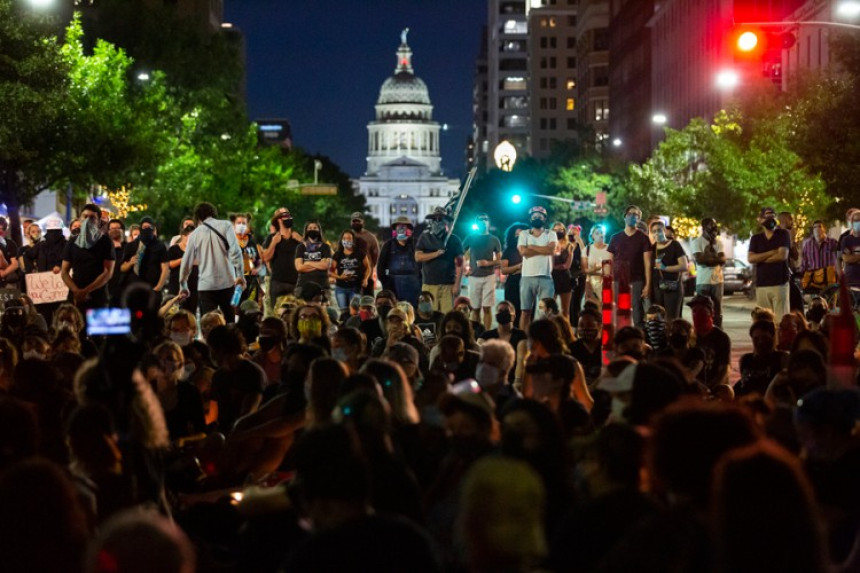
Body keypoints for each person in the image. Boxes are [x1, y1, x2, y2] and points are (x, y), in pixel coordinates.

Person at [179, 202, 244, 322]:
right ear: (213, 213)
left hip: (206, 286)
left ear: (198, 218)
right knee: (229, 322)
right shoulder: (226, 225)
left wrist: (183, 284)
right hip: (227, 283)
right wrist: (240, 276)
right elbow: (236, 251)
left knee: (209, 325)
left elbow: (186, 263)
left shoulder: (195, 234)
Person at [60, 204, 116, 311]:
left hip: (98, 298)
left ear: (99, 221)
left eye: (92, 217)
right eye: (85, 216)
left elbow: (108, 272)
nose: (87, 220)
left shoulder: (106, 242)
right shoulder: (72, 241)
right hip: (76, 298)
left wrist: (86, 291)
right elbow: (64, 271)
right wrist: (76, 291)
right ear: (80, 219)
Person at [607, 205, 652, 328]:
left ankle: (638, 343)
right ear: (625, 217)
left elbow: (647, 263)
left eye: (637, 215)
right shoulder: (615, 238)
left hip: (637, 281)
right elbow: (609, 262)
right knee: (620, 314)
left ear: (639, 219)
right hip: (618, 281)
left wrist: (647, 285)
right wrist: (608, 283)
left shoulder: (644, 238)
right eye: (631, 214)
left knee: (637, 315)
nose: (633, 217)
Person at [415, 206, 464, 314]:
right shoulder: (424, 237)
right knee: (429, 315)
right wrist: (436, 254)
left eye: (441, 218)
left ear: (446, 221)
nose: (438, 221)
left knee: (448, 316)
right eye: (435, 218)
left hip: (448, 286)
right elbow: (418, 257)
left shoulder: (454, 239)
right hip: (429, 286)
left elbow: (460, 264)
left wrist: (457, 284)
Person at [748, 207, 791, 319]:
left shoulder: (783, 234)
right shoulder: (756, 238)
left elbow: (782, 255)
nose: (770, 219)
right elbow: (751, 258)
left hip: (780, 284)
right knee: (764, 321)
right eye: (767, 216)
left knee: (781, 321)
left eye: (772, 216)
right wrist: (771, 252)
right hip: (762, 285)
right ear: (760, 220)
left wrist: (760, 258)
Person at [518, 205, 556, 331]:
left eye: (540, 216)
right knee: (525, 311)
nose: (537, 218)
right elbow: (523, 252)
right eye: (534, 216)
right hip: (527, 277)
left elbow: (550, 250)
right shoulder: (524, 234)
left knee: (546, 312)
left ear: (544, 219)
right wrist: (542, 249)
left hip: (545, 277)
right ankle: (523, 338)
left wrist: (531, 247)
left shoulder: (551, 234)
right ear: (530, 219)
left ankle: (543, 336)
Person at [463, 213, 502, 331]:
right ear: (477, 223)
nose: (483, 222)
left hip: (489, 276)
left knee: (487, 308)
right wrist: (466, 268)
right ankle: (475, 333)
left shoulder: (494, 239)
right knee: (475, 308)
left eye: (485, 219)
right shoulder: (470, 238)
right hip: (474, 277)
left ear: (489, 223)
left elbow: (500, 260)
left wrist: (487, 263)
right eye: (480, 220)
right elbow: (460, 254)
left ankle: (486, 334)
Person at [261, 207, 303, 311]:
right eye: (285, 215)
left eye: (289, 215)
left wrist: (302, 240)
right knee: (277, 314)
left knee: (295, 315)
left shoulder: (297, 237)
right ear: (279, 220)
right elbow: (266, 257)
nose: (289, 217)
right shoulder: (271, 238)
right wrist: (274, 243)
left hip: (296, 283)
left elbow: (312, 254)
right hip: (277, 283)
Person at [736, 320, 789, 397]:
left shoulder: (782, 358)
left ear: (772, 337)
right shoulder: (745, 359)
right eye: (756, 339)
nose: (761, 342)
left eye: (764, 338)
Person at [688, 294, 731, 388]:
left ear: (711, 313)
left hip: (714, 385)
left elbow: (724, 369)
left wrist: (711, 387)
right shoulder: (689, 337)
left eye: (702, 311)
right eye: (694, 311)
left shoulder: (721, 337)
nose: (697, 315)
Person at [377, 215, 421, 307]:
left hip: (414, 288)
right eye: (399, 228)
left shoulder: (416, 244)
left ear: (410, 230)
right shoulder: (388, 246)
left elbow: (423, 265)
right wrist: (387, 286)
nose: (402, 230)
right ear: (395, 230)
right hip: (393, 286)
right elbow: (381, 269)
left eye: (405, 228)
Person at [691, 217, 726, 327]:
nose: (714, 227)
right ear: (704, 227)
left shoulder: (719, 243)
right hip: (703, 281)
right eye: (712, 225)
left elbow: (723, 260)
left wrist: (711, 260)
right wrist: (715, 259)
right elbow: (700, 260)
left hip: (717, 281)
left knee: (717, 310)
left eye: (715, 224)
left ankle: (718, 332)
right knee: (702, 309)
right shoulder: (697, 242)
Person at [650, 219, 688, 320]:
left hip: (673, 287)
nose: (656, 233)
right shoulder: (652, 248)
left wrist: (665, 268)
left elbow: (684, 266)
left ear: (664, 231)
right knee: (659, 320)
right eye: (653, 231)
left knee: (672, 319)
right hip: (657, 289)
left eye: (659, 230)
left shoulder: (674, 245)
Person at [123, 216, 169, 294]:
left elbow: (165, 267)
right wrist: (130, 263)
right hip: (134, 287)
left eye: (149, 227)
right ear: (140, 228)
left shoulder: (160, 246)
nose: (147, 229)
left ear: (154, 229)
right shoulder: (131, 246)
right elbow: (122, 268)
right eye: (144, 227)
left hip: (152, 288)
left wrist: (158, 287)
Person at [330, 229, 370, 310]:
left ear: (353, 240)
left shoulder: (360, 253)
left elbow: (368, 267)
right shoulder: (337, 254)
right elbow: (330, 271)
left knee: (355, 312)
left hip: (356, 288)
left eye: (349, 238)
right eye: (344, 238)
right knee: (344, 312)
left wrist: (366, 279)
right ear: (341, 240)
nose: (347, 240)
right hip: (341, 288)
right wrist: (339, 277)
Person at [799, 219, 838, 294]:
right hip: (814, 281)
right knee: (816, 303)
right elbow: (804, 263)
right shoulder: (808, 245)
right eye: (815, 227)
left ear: (824, 229)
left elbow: (839, 259)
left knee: (830, 303)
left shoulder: (833, 243)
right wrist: (802, 276)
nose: (817, 229)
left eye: (820, 226)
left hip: (829, 280)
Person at [231, 212, 263, 304]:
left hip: (251, 281)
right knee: (234, 309)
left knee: (250, 309)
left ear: (247, 225)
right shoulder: (230, 242)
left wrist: (257, 269)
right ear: (234, 225)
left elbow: (259, 261)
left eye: (243, 223)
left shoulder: (252, 242)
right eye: (238, 223)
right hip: (235, 282)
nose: (241, 225)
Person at [295, 220, 332, 298]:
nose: (312, 229)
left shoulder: (325, 247)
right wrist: (319, 264)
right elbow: (299, 267)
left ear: (319, 230)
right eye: (310, 228)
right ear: (306, 231)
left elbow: (326, 265)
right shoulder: (301, 247)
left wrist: (307, 263)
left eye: (315, 228)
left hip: (323, 286)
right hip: (303, 286)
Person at [500, 222, 528, 321]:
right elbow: (503, 270)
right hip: (513, 283)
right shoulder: (508, 251)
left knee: (527, 312)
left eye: (521, 235)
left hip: (528, 283)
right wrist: (518, 267)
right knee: (512, 311)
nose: (518, 237)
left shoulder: (531, 250)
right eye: (516, 235)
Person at [167, 224, 198, 313]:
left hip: (193, 288)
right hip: (176, 287)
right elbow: (170, 264)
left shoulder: (197, 250)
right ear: (183, 236)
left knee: (191, 314)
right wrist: (183, 259)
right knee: (175, 313)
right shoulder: (174, 249)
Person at [778, 210, 804, 313]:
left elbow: (795, 256)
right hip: (778, 276)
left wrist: (792, 240)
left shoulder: (790, 234)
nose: (792, 222)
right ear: (784, 220)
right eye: (791, 220)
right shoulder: (776, 234)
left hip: (788, 275)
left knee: (795, 298)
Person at [349, 211, 380, 295]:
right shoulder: (346, 236)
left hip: (366, 276)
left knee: (367, 302)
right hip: (350, 276)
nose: (356, 223)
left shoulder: (370, 237)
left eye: (358, 221)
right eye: (354, 221)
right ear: (350, 222)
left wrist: (369, 267)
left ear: (363, 222)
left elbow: (375, 255)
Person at [583, 224, 612, 308]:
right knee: (592, 309)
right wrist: (593, 270)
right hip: (591, 283)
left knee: (605, 309)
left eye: (602, 232)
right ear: (592, 236)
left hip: (605, 282)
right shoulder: (587, 249)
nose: (600, 235)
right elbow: (584, 269)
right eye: (597, 233)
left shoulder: (609, 249)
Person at [550, 221, 574, 321]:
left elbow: (567, 265)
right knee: (550, 309)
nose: (558, 232)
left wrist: (555, 266)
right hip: (551, 278)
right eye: (555, 230)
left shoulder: (569, 246)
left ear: (564, 231)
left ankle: (566, 333)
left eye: (560, 230)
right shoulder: (549, 245)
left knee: (565, 310)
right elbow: (549, 265)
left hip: (565, 278)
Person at [0, 216, 20, 290]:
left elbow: (15, 264)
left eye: (3, 229)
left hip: (7, 282)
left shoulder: (10, 243)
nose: (0, 231)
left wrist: (3, 273)